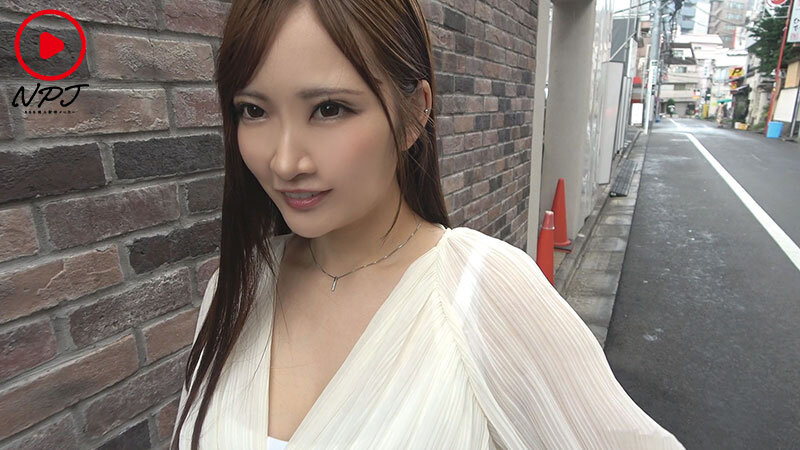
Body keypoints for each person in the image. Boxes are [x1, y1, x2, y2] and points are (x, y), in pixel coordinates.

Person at [171, 0, 686, 449]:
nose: (285, 162)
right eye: (253, 110)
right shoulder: (236, 289)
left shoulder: (483, 291)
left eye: (328, 109)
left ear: (415, 114)